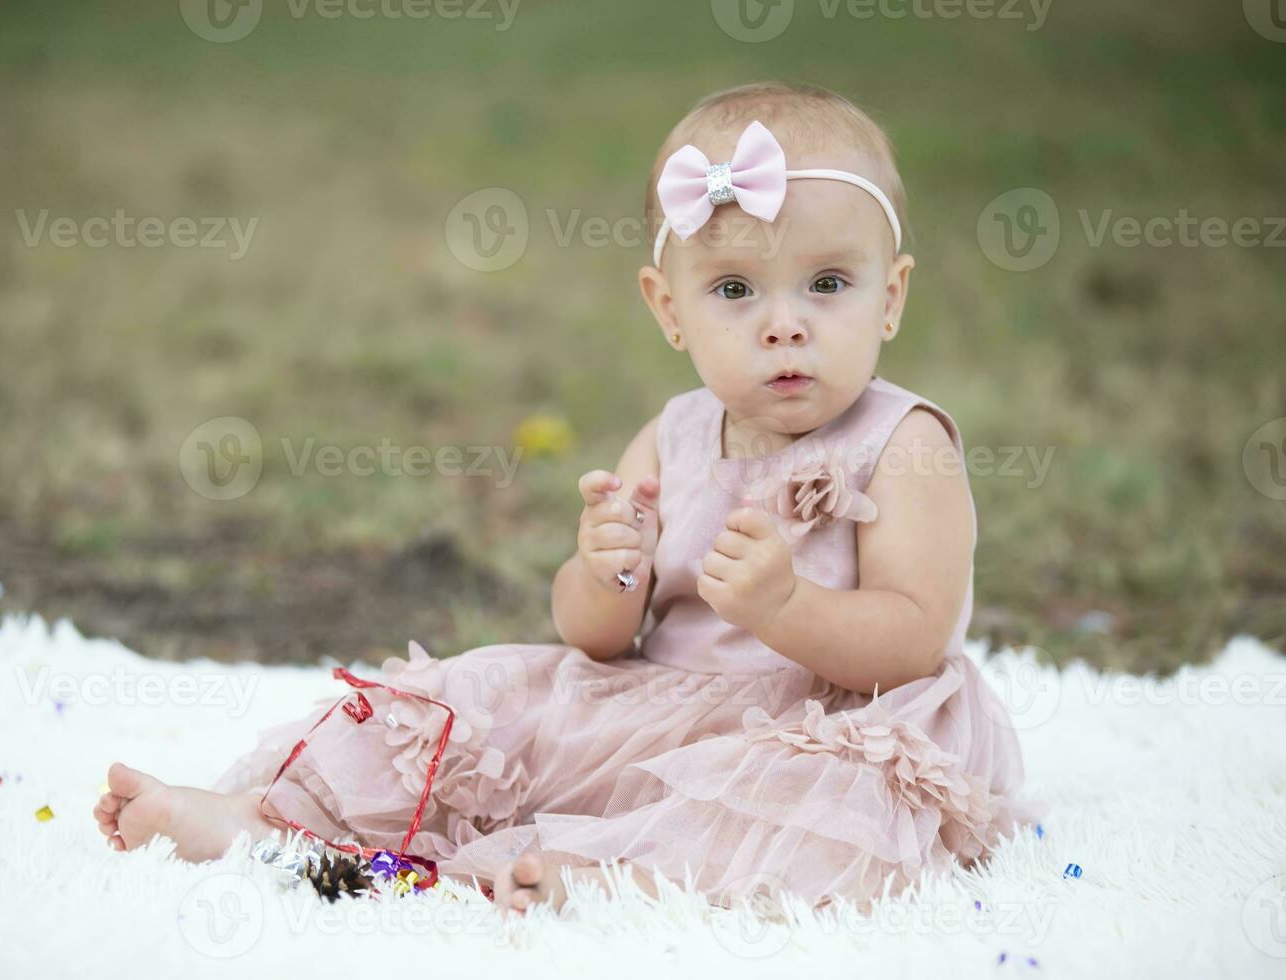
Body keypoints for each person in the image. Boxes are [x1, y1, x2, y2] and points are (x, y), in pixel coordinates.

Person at [94, 80, 1047, 918]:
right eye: (735, 290)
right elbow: (596, 640)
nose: (785, 326)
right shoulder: (673, 437)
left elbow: (918, 640)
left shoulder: (904, 442)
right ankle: (265, 821)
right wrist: (607, 569)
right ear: (669, 309)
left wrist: (786, 608)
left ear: (892, 297)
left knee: (828, 820)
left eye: (828, 284)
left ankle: (614, 879)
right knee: (483, 703)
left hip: (834, 725)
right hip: (665, 706)